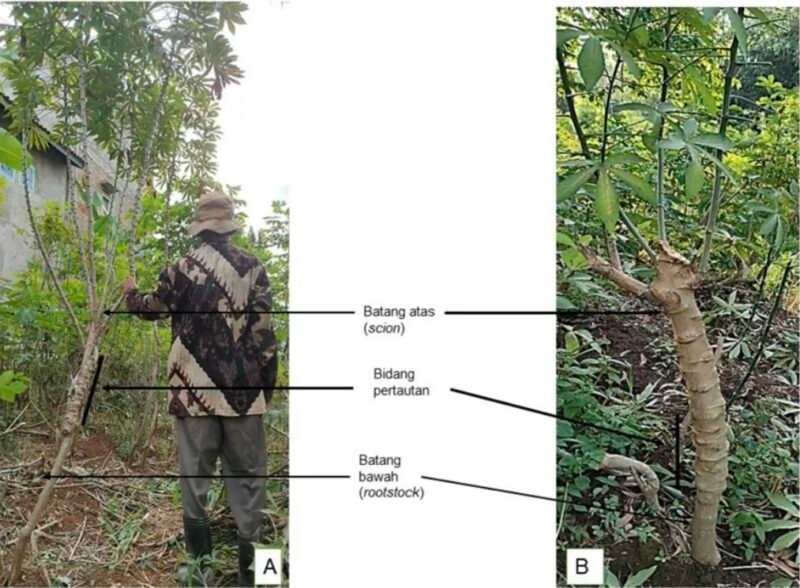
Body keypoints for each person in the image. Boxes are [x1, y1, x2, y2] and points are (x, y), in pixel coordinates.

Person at [121, 190, 278, 587]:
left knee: (195, 482)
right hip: (244, 396)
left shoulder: (180, 268)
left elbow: (150, 309)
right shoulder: (252, 266)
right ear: (229, 226)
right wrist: (266, 389)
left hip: (193, 396)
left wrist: (128, 294)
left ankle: (198, 573)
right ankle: (259, 579)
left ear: (199, 228)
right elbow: (264, 335)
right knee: (249, 486)